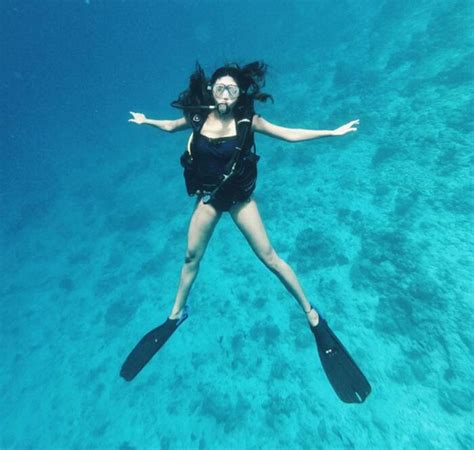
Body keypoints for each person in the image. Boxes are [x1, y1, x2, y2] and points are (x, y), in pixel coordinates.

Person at [121, 62, 370, 403]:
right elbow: (170, 126)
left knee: (270, 257)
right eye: (220, 88)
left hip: (238, 199)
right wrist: (146, 121)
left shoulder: (247, 121)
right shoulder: (197, 117)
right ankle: (175, 315)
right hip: (207, 199)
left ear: (240, 95)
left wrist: (331, 133)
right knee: (191, 257)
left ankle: (312, 314)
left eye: (232, 90)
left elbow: (288, 133)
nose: (225, 94)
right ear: (211, 89)